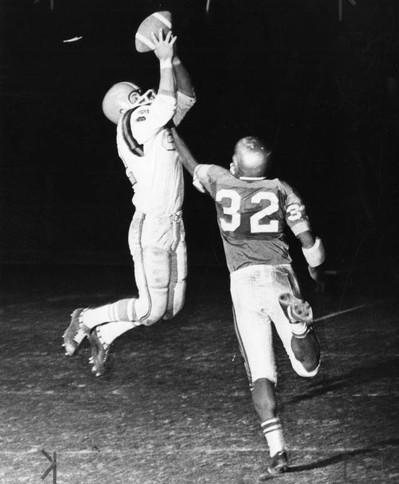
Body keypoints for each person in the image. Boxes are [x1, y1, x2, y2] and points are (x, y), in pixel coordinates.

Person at [171, 129, 324, 478]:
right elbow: (308, 240)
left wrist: (172, 129)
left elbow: (190, 163)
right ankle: (299, 325)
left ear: (235, 165)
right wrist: (318, 273)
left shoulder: (221, 181)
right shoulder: (280, 188)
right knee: (309, 369)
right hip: (280, 278)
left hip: (243, 284)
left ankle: (278, 452)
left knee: (260, 373)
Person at [62, 29, 196, 377]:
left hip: (173, 223)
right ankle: (87, 317)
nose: (148, 92)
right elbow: (167, 101)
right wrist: (162, 59)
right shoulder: (133, 120)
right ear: (126, 103)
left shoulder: (155, 121)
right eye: (137, 93)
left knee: (170, 309)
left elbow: (185, 98)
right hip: (151, 224)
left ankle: (104, 333)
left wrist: (175, 58)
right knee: (151, 310)